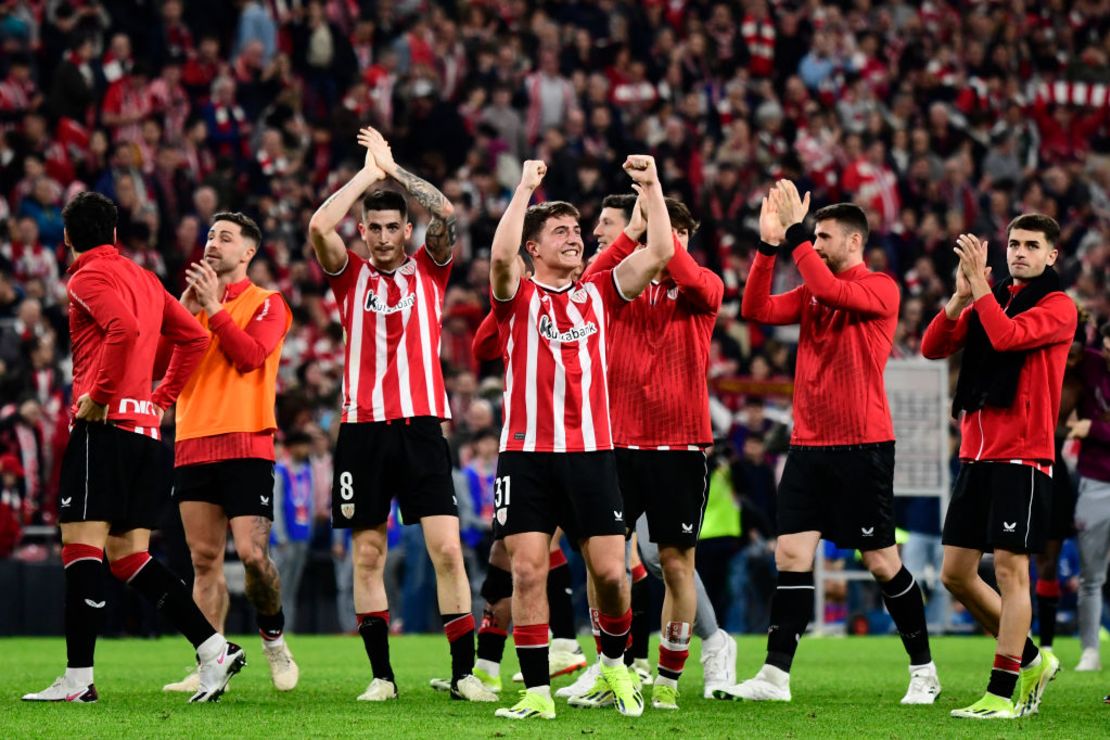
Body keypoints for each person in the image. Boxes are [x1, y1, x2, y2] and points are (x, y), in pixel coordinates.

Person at [716, 181, 940, 705]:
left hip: (862, 445)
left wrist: (793, 234)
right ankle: (774, 676)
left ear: (854, 242)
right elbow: (756, 310)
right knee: (791, 553)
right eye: (812, 237)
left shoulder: (880, 287)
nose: (814, 246)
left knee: (881, 560)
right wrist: (769, 247)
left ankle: (924, 670)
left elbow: (831, 290)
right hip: (808, 446)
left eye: (823, 237)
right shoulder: (814, 288)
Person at [23, 192, 243, 704]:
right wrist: (160, 400)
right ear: (116, 235)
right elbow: (194, 337)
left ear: (68, 239)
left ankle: (78, 679)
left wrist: (98, 397)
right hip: (145, 434)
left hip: (105, 431)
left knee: (80, 550)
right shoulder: (144, 277)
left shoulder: (84, 277)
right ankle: (213, 648)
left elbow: (121, 329)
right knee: (128, 557)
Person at [307, 127, 493, 703]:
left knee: (444, 549)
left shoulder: (429, 271)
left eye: (394, 227)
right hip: (361, 431)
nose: (385, 237)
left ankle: (464, 675)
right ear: (361, 232)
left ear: (406, 231)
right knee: (369, 553)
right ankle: (382, 678)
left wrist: (393, 171)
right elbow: (318, 226)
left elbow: (445, 209)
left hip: (420, 426)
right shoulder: (347, 276)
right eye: (375, 227)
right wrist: (367, 177)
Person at [488, 156, 674, 720]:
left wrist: (652, 186)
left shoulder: (598, 294)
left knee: (613, 575)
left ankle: (615, 662)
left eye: (576, 231)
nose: (574, 238)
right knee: (527, 571)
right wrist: (523, 188)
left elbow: (662, 253)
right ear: (535, 249)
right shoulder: (516, 297)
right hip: (526, 456)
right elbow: (500, 255)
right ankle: (538, 692)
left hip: (593, 454)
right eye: (561, 232)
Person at [568, 192, 728, 712]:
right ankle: (611, 669)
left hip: (678, 446)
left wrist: (656, 220)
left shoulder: (705, 287)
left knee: (677, 564)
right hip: (614, 444)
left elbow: (675, 260)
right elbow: (584, 285)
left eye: (677, 235)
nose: (668, 242)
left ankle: (666, 679)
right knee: (603, 565)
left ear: (685, 239)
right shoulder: (618, 289)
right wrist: (631, 234)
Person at [922, 214, 1077, 719]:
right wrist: (964, 295)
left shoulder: (1059, 306)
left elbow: (1008, 338)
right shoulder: (995, 300)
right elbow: (933, 347)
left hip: (1023, 455)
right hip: (977, 452)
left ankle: (1001, 692)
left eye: (1032, 245)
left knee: (1012, 571)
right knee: (955, 574)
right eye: (1013, 244)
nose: (1019, 252)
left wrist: (981, 290)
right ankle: (1032, 659)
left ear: (1052, 255)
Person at [160, 211, 296, 695]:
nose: (213, 243)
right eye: (210, 235)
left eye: (226, 237)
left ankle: (274, 638)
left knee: (255, 557)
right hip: (193, 441)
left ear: (248, 252)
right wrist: (181, 307)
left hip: (246, 442)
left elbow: (249, 357)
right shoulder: (191, 306)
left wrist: (214, 308)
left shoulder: (268, 303)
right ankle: (210, 661)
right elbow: (156, 363)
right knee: (203, 561)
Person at [468, 301, 588, 694]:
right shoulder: (525, 300)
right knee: (504, 552)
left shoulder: (585, 294)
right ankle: (486, 665)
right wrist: (504, 299)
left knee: (552, 548)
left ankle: (575, 644)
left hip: (570, 441)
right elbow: (483, 346)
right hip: (526, 442)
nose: (589, 238)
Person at [1069, 321, 1110, 673]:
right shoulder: (1092, 362)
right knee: (1091, 575)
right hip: (1094, 481)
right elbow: (1067, 347)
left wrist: (1093, 428)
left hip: (1097, 474)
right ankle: (1090, 650)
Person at [271, 430, 316, 636]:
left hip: (301, 536)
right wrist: (280, 535)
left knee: (292, 586)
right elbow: (276, 504)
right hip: (284, 539)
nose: (306, 450)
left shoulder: (307, 471)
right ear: (293, 447)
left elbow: (312, 503)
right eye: (302, 445)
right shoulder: (281, 471)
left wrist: (310, 532)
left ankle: (288, 628)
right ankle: (274, 627)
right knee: (279, 585)